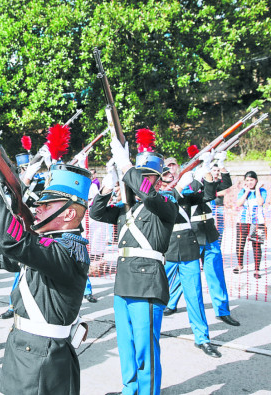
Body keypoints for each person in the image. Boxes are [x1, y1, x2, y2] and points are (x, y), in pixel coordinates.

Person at [0, 133, 90, 395]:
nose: (38, 208)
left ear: (68, 213)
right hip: (25, 348)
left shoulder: (67, 249)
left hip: (41, 357)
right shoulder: (48, 246)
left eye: (46, 204)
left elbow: (12, 242)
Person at [90, 131, 178, 395]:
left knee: (145, 348)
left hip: (148, 282)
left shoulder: (166, 202)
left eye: (145, 176)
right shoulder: (125, 208)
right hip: (124, 280)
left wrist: (126, 166)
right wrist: (109, 182)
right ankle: (130, 389)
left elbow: (149, 195)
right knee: (126, 345)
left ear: (156, 181)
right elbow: (96, 212)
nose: (138, 182)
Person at [159, 161, 221, 358]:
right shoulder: (157, 196)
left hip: (188, 249)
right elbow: (167, 200)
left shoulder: (184, 194)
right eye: (166, 175)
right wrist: (179, 186)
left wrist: (208, 176)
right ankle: (147, 333)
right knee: (156, 296)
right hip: (167, 251)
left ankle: (202, 338)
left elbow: (208, 195)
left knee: (194, 296)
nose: (170, 177)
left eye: (172, 174)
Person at [183, 154, 239, 326]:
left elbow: (225, 184)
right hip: (193, 234)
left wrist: (220, 164)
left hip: (209, 234)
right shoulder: (187, 185)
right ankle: (170, 304)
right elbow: (197, 193)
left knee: (216, 275)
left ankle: (222, 310)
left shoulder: (208, 182)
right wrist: (201, 171)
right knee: (184, 277)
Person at [235, 170, 267, 279]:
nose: (249, 182)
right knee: (240, 244)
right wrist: (246, 192)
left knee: (257, 245)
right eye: (247, 180)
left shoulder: (262, 190)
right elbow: (239, 203)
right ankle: (239, 265)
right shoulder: (243, 191)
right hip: (243, 221)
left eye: (252, 180)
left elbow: (260, 202)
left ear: (256, 180)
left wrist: (257, 189)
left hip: (258, 222)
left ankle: (257, 269)